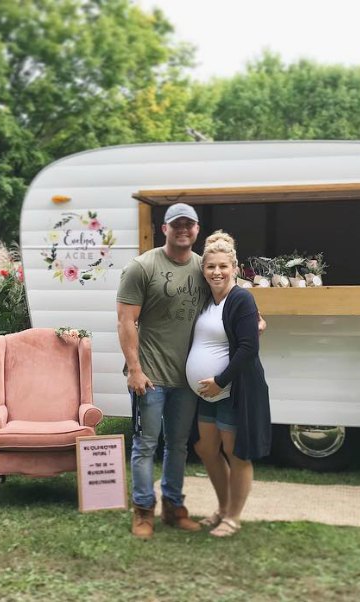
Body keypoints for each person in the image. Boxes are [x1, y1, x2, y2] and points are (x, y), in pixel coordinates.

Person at [116, 203, 207, 539]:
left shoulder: (203, 267)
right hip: (150, 376)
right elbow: (126, 321)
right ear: (163, 229)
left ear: (197, 229)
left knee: (179, 444)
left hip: (187, 378)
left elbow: (231, 295)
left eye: (189, 224)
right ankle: (142, 510)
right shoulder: (142, 267)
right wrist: (135, 370)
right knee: (145, 444)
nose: (183, 229)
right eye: (176, 224)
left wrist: (253, 317)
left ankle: (173, 507)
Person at [186, 231, 271, 537]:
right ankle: (222, 508)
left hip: (233, 390)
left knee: (237, 453)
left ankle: (233, 516)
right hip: (208, 393)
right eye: (210, 267)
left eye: (223, 266)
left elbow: (249, 349)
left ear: (234, 266)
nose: (217, 272)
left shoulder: (241, 299)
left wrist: (220, 381)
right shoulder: (207, 300)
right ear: (203, 269)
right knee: (206, 448)